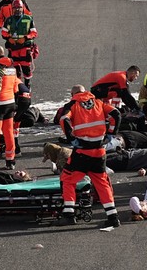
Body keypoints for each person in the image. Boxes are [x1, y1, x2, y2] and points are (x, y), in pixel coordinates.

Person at [56, 85, 121, 228]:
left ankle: (69, 214)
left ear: (73, 94)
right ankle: (113, 217)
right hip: (99, 151)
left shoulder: (72, 104)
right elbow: (116, 114)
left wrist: (72, 139)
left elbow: (64, 120)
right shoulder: (98, 102)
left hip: (82, 152)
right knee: (102, 183)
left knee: (67, 179)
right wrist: (110, 134)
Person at [0, 0, 37, 86]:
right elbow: (4, 32)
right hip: (13, 47)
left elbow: (34, 33)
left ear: (22, 8)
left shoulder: (28, 19)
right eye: (15, 8)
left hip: (25, 47)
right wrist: (9, 38)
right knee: (15, 68)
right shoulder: (9, 20)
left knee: (25, 67)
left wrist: (25, 38)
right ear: (12, 9)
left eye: (19, 8)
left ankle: (27, 85)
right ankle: (18, 86)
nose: (17, 9)